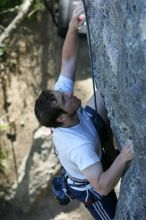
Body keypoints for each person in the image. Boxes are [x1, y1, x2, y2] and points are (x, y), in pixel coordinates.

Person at [34, 3, 134, 220]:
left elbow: (68, 60)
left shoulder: (61, 108)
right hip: (92, 186)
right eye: (64, 99)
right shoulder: (78, 147)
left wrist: (71, 28)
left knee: (103, 95)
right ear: (61, 118)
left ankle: (106, 153)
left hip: (88, 137)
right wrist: (125, 156)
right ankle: (104, 161)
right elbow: (103, 186)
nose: (68, 94)